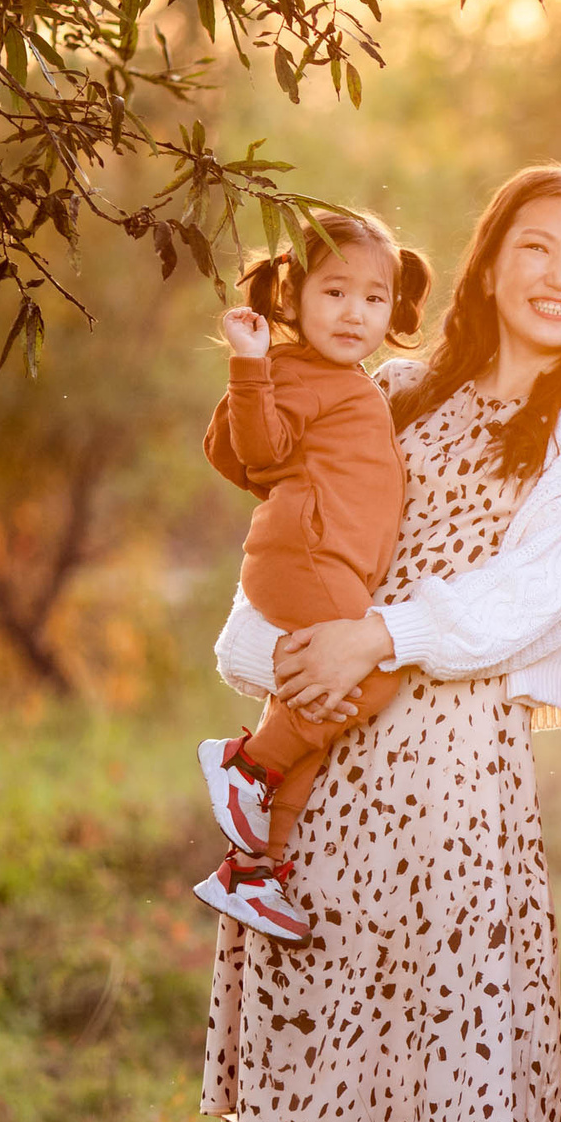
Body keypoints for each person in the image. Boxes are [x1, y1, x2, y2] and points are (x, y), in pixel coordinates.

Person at [199, 164, 561, 1122]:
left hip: (453, 757)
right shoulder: (395, 388)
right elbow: (283, 481)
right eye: (536, 249)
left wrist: (381, 634)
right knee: (304, 1013)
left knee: (485, 1026)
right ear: (489, 263)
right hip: (327, 740)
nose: (560, 277)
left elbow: (532, 588)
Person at [192, 212, 428, 942]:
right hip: (306, 556)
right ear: (292, 299)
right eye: (334, 292)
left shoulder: (349, 381)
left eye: (373, 297)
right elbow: (252, 447)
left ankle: (255, 868)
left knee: (311, 705)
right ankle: (245, 766)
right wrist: (250, 362)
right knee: (375, 668)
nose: (354, 312)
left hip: (327, 561)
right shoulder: (292, 369)